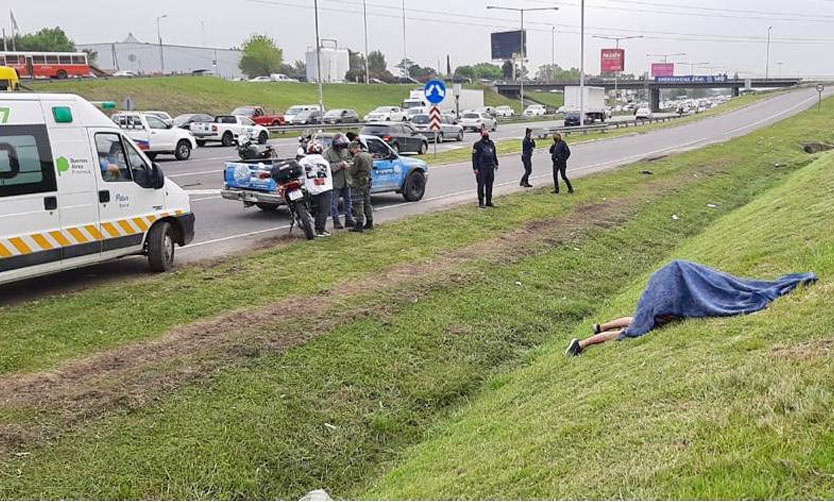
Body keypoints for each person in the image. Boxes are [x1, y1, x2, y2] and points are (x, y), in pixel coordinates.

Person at [565, 260, 818, 357]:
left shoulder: (658, 309)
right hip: (666, 288)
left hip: (659, 289)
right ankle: (583, 342)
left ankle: (595, 330)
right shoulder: (663, 311)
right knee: (632, 329)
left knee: (638, 321)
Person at [300, 140, 334, 237]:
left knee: (313, 211)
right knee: (323, 210)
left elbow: (300, 175)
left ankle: (313, 228)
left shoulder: (303, 161)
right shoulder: (324, 162)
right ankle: (320, 229)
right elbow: (328, 176)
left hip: (310, 189)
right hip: (324, 188)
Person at [323, 133, 355, 230]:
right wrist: (340, 165)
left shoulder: (345, 151)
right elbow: (326, 167)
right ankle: (336, 221)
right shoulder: (327, 153)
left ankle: (349, 219)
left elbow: (351, 160)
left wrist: (349, 164)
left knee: (348, 201)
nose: (341, 148)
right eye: (340, 146)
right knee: (334, 203)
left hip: (346, 180)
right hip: (335, 182)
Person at [348, 140, 374, 233]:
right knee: (367, 202)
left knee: (358, 203)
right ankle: (370, 221)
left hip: (359, 182)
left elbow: (353, 171)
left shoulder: (358, 157)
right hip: (367, 180)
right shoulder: (368, 155)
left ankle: (359, 223)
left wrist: (349, 167)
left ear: (353, 148)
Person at [472, 126, 499, 208]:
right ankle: (481, 202)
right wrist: (475, 168)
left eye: (487, 131)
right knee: (481, 185)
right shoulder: (477, 145)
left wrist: (496, 163)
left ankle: (489, 201)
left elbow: (494, 154)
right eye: (484, 132)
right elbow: (474, 157)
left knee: (489, 184)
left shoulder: (491, 143)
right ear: (481, 134)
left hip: (490, 167)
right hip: (481, 168)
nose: (486, 133)